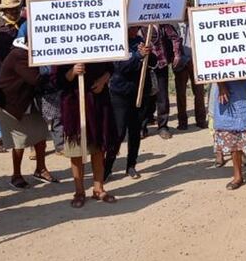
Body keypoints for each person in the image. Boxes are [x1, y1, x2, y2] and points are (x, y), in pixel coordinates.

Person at [0, 24, 59, 190]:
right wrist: (58, 77)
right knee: (19, 140)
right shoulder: (20, 55)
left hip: (27, 99)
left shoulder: (29, 53)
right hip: (10, 103)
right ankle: (16, 175)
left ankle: (40, 169)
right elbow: (35, 79)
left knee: (40, 133)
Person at [56, 61, 116, 207]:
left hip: (99, 102)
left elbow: (110, 67)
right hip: (74, 104)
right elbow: (56, 80)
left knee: (99, 148)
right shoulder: (62, 48)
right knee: (76, 151)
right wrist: (72, 72)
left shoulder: (99, 42)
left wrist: (103, 81)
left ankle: (98, 188)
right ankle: (79, 191)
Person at [106, 28, 154, 180]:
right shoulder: (116, 43)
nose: (135, 31)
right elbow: (120, 67)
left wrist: (148, 53)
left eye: (136, 28)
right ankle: (107, 167)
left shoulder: (140, 42)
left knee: (135, 131)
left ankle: (131, 166)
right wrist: (138, 56)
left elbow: (153, 63)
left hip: (139, 94)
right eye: (132, 28)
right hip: (119, 94)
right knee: (119, 133)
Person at [148, 24, 183, 139]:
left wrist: (176, 54)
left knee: (162, 97)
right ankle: (142, 126)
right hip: (143, 67)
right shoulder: (138, 25)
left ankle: (163, 126)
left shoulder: (163, 25)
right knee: (144, 98)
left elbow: (175, 38)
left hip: (161, 64)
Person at [172, 22, 207, 129]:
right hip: (179, 62)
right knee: (181, 94)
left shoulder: (196, 21)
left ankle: (201, 120)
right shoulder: (174, 23)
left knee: (199, 92)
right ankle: (182, 122)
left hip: (196, 61)